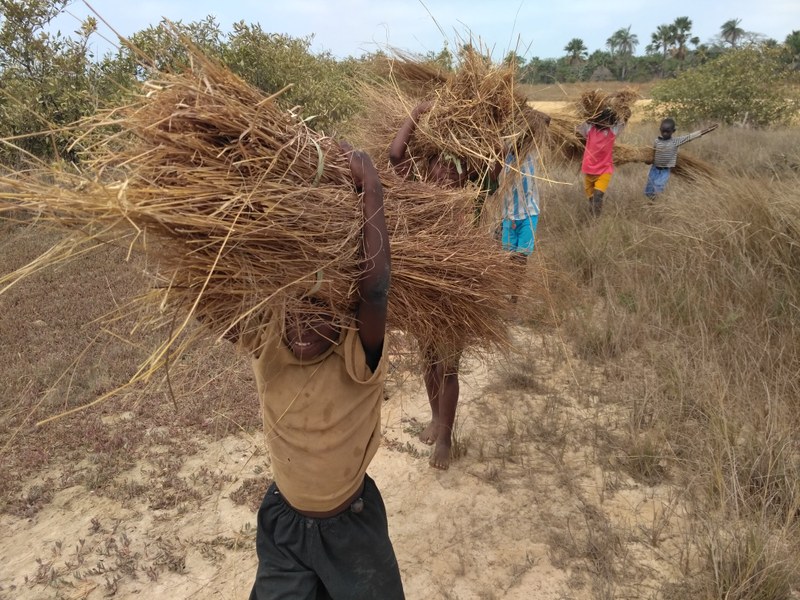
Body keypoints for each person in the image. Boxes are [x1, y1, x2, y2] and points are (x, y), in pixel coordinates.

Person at [236, 143, 404, 599]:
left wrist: (370, 182)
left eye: (321, 310)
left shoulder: (357, 351)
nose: (303, 325)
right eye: (293, 310)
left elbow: (375, 288)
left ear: (346, 313)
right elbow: (210, 285)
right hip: (284, 523)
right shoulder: (265, 339)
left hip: (352, 526)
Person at [389, 100, 476, 470]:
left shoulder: (470, 191)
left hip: (456, 287)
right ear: (428, 165)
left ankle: (445, 437)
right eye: (441, 163)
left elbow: (498, 157)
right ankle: (436, 417)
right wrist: (419, 111)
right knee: (427, 359)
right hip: (425, 288)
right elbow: (395, 154)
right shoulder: (419, 187)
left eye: (455, 165)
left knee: (449, 364)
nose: (448, 172)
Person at [645, 118, 718, 199]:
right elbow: (654, 153)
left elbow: (690, 137)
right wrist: (648, 160)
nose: (665, 133)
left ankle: (656, 201)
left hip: (665, 170)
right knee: (649, 187)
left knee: (658, 186)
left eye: (668, 131)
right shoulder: (657, 141)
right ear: (660, 130)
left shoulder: (675, 141)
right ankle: (650, 200)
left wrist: (708, 130)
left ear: (673, 131)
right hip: (654, 168)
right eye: (663, 131)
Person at [576, 107, 626, 216]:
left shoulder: (613, 130)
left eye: (607, 121)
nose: (604, 123)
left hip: (604, 169)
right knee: (592, 200)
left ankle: (595, 221)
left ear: (611, 121)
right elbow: (577, 125)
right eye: (602, 120)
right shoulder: (589, 129)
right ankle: (592, 219)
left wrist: (622, 108)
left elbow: (624, 120)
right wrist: (586, 114)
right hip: (589, 169)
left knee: (598, 196)